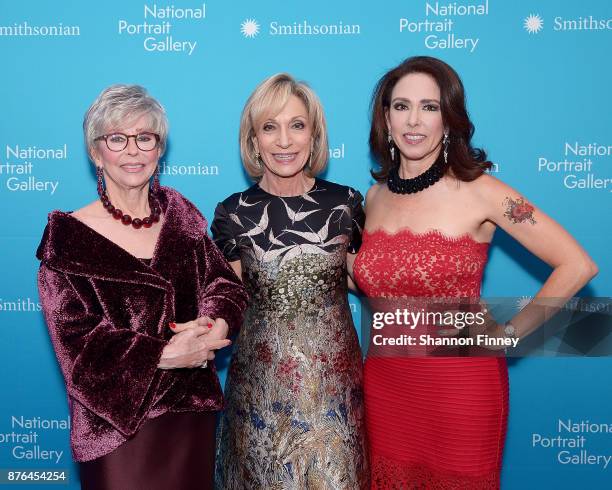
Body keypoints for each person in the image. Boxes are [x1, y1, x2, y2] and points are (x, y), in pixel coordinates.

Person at [353, 56, 598, 489]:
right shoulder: (373, 198)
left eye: (429, 107)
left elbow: (577, 264)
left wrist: (507, 336)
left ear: (449, 119)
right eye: (401, 106)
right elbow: (370, 279)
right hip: (387, 387)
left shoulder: (483, 192)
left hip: (461, 390)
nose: (414, 120)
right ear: (385, 119)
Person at [36, 84, 248, 490]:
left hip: (191, 415)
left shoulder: (181, 221)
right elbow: (80, 352)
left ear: (159, 149)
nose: (133, 150)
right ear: (96, 152)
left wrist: (217, 323)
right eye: (117, 138)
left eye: (145, 138)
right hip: (118, 429)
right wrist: (165, 354)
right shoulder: (67, 242)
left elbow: (225, 285)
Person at [212, 73, 369, 488]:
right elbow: (223, 301)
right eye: (270, 127)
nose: (284, 141)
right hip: (260, 397)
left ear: (314, 135)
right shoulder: (233, 212)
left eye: (297, 125)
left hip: (333, 393)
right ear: (253, 140)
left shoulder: (347, 203)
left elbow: (368, 279)